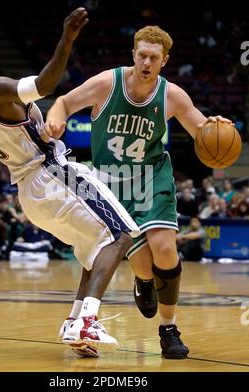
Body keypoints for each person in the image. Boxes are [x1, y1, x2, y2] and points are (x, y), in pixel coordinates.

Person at [0, 7, 141, 356]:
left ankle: (76, 324)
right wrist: (66, 39)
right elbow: (45, 85)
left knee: (94, 249)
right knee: (121, 234)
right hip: (53, 173)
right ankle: (87, 322)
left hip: (30, 194)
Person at [42, 25, 233, 359]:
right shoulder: (107, 83)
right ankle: (143, 281)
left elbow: (202, 129)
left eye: (153, 58)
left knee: (165, 249)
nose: (146, 62)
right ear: (133, 54)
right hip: (110, 182)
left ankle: (168, 329)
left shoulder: (172, 95)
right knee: (144, 265)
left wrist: (214, 126)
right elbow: (63, 102)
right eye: (141, 55)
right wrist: (55, 119)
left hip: (152, 177)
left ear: (164, 61)